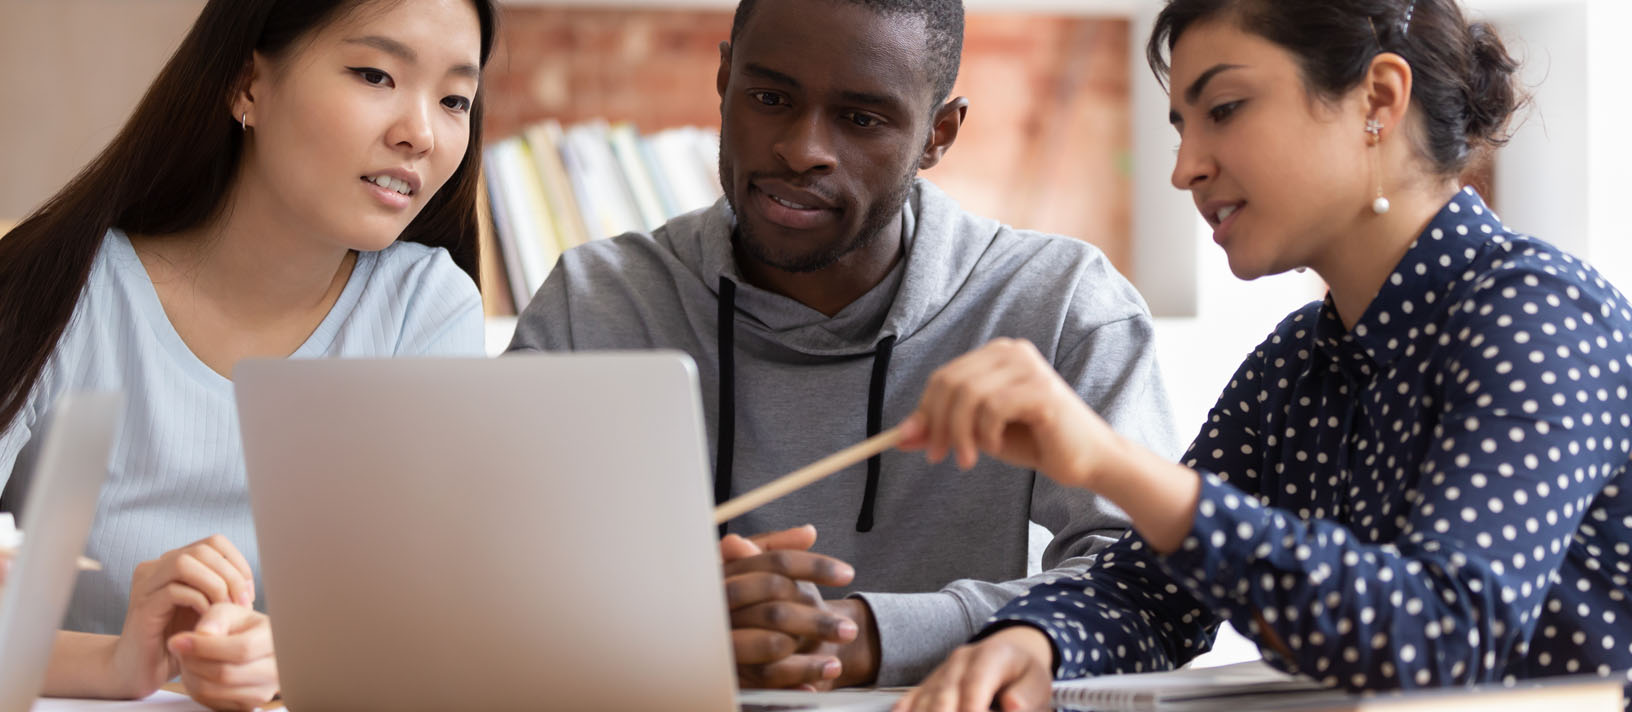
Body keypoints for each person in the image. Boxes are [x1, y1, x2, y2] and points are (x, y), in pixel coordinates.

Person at [892, 0, 1632, 710]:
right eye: (1182, 126)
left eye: (1225, 110)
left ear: (1378, 97)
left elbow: (1438, 639)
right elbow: (1150, 595)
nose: (1185, 169)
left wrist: (1108, 463)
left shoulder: (1540, 312)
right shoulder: (1295, 362)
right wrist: (1033, 642)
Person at [507, 0, 1179, 690]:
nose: (802, 150)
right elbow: (484, 577)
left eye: (861, 119)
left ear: (937, 135)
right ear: (724, 81)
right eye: (770, 97)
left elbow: (1152, 590)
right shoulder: (594, 304)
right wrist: (661, 624)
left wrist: (865, 637)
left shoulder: (1061, 304)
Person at [0, 0, 496, 707]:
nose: (420, 133)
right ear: (246, 85)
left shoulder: (426, 308)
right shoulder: (57, 288)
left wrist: (295, 661)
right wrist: (115, 661)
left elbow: (435, 622)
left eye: (454, 99)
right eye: (375, 74)